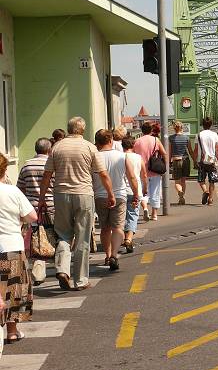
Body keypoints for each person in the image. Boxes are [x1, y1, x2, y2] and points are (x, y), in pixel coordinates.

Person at [38, 116, 115, 291]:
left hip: (61, 195)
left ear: (69, 129)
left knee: (63, 234)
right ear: (83, 129)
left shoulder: (57, 147)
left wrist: (42, 198)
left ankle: (62, 269)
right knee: (82, 237)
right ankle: (80, 280)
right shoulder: (89, 147)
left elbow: (47, 175)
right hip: (83, 194)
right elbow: (103, 174)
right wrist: (110, 194)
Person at [0, 153, 38, 343]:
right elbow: (32, 216)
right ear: (4, 170)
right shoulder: (12, 191)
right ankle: (12, 331)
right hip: (11, 246)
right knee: (13, 290)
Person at [94, 129, 139, 270]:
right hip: (119, 195)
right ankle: (114, 254)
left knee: (105, 228)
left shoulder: (94, 157)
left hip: (100, 196)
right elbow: (132, 177)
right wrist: (136, 194)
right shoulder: (122, 156)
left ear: (97, 142)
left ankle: (107, 256)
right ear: (111, 140)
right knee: (118, 228)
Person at [16, 137, 54, 285]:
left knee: (36, 238)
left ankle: (36, 272)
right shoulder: (51, 164)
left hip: (31, 207)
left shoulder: (26, 165)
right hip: (51, 205)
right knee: (53, 236)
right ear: (49, 149)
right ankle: (56, 268)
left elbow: (20, 187)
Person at [133, 121, 167, 221]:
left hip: (141, 171)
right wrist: (165, 165)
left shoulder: (137, 141)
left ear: (142, 130)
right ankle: (154, 214)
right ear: (151, 130)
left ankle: (145, 208)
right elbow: (164, 153)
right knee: (155, 192)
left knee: (143, 192)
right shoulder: (156, 140)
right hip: (155, 169)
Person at [121, 136, 147, 252]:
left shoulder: (120, 157)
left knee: (122, 217)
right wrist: (145, 188)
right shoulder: (138, 157)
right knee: (132, 215)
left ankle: (124, 237)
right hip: (135, 190)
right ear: (133, 145)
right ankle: (129, 238)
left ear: (122, 145)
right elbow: (144, 175)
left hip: (122, 191)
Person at [194, 117, 218, 206]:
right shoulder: (214, 135)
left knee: (201, 179)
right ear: (211, 124)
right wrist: (217, 160)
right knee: (212, 180)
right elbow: (217, 149)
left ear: (202, 124)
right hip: (212, 161)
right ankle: (210, 200)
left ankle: (205, 191)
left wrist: (195, 160)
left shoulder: (198, 135)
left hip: (202, 161)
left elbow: (196, 150)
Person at [169, 121, 195, 205]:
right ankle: (182, 197)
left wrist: (168, 162)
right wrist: (194, 161)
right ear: (182, 128)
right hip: (186, 160)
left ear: (174, 128)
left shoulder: (171, 138)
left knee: (177, 182)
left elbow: (170, 152)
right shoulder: (186, 138)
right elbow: (190, 151)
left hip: (176, 161)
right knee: (183, 181)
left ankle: (180, 193)